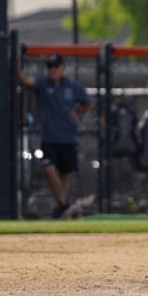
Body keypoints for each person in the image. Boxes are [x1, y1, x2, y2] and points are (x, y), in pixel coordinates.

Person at [19, 54, 91, 219]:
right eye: (50, 67)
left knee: (66, 172)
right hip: (49, 136)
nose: (52, 70)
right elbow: (26, 80)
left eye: (56, 67)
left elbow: (87, 103)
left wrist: (79, 115)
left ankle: (61, 209)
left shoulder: (72, 87)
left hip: (68, 136)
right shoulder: (43, 84)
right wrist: (15, 64)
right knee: (49, 168)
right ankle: (65, 203)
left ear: (63, 68)